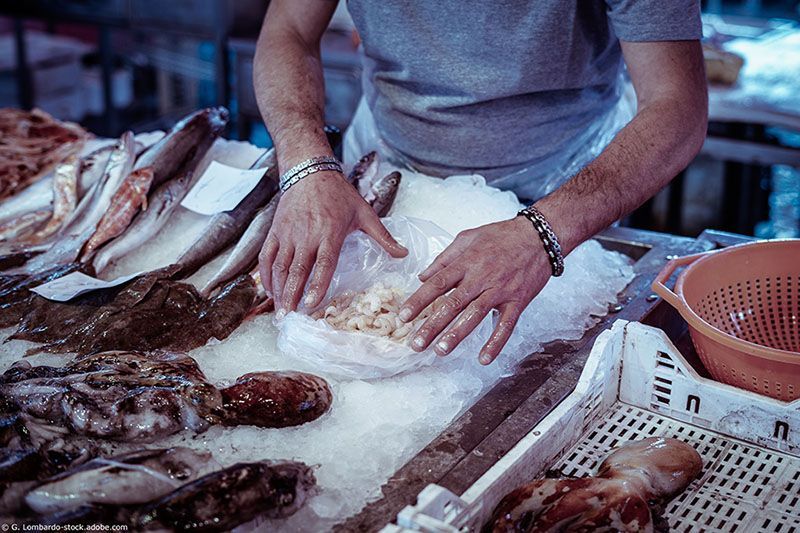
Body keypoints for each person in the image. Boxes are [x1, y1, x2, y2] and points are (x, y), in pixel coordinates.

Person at [254, 0, 708, 365]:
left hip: (564, 192)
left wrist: (543, 233)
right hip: (385, 165)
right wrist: (305, 162)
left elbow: (676, 106)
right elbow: (288, 30)